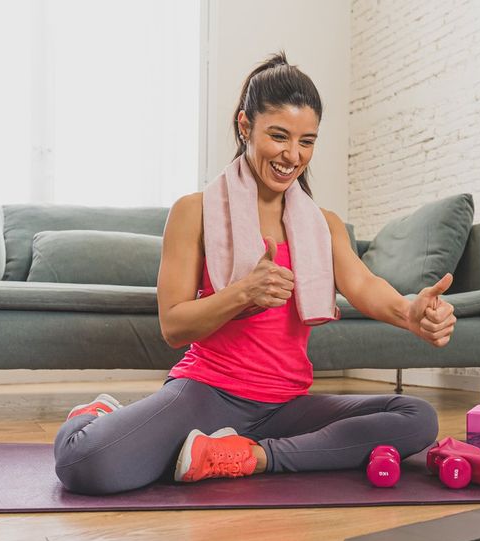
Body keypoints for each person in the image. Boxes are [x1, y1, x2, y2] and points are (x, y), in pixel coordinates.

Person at [53, 52, 456, 495]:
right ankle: (101, 416)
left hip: (286, 407)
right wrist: (244, 292)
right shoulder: (195, 213)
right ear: (245, 126)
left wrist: (409, 312)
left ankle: (249, 456)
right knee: (84, 463)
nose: (292, 155)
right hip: (207, 393)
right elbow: (173, 325)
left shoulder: (323, 224)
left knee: (418, 418)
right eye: (279, 136)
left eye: (307, 141)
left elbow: (363, 285)